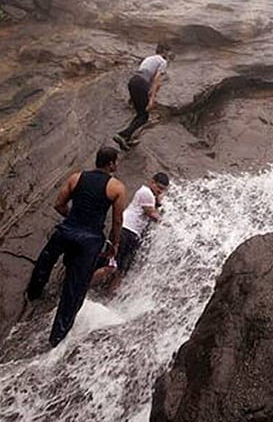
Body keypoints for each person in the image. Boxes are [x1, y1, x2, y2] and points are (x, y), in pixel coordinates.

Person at [26, 147, 127, 347]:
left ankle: (33, 293)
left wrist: (73, 218)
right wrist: (113, 245)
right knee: (75, 287)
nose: (117, 164)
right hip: (90, 240)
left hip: (67, 231)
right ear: (111, 164)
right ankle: (57, 336)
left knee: (45, 260)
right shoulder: (116, 188)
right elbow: (117, 222)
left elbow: (59, 204)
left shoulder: (76, 177)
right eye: (116, 161)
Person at [92, 172, 169, 292]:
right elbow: (152, 214)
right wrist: (168, 224)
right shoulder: (146, 192)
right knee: (110, 265)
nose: (159, 191)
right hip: (126, 231)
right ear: (152, 182)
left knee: (120, 270)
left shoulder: (151, 196)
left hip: (132, 234)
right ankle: (83, 287)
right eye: (158, 188)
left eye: (163, 190)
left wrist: (158, 201)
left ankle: (107, 294)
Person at [114, 44, 171, 151]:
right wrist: (152, 100)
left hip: (133, 81)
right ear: (165, 52)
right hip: (141, 83)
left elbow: (144, 76)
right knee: (144, 116)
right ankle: (122, 135)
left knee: (140, 114)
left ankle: (126, 139)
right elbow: (156, 81)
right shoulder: (163, 62)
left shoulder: (148, 59)